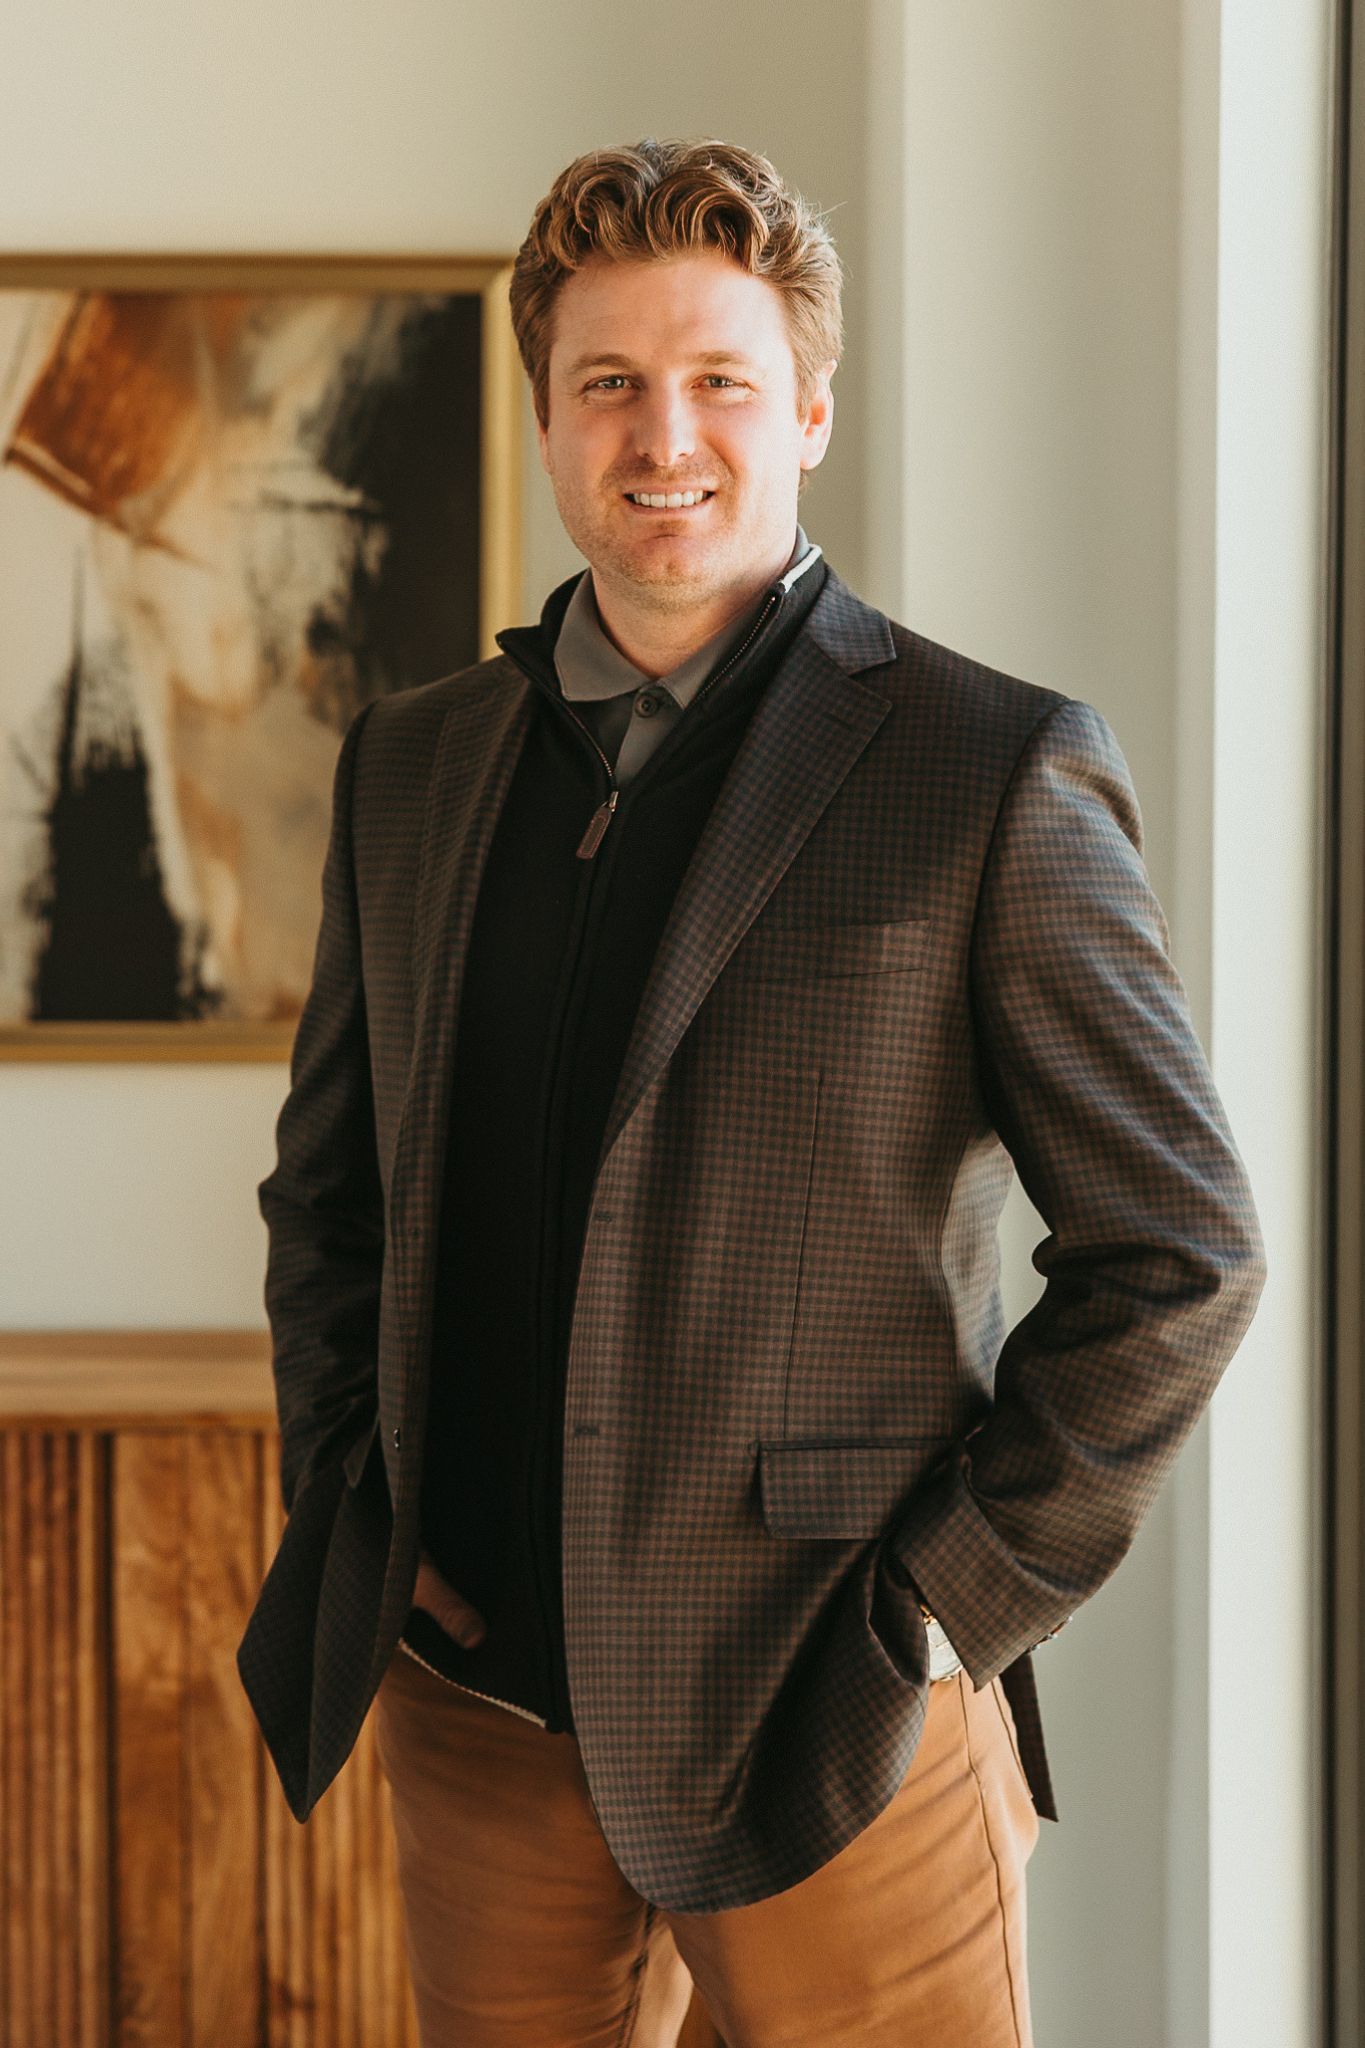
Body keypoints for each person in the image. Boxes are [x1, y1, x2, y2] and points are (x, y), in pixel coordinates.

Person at [237, 137, 1267, 2047]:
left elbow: (1178, 1255)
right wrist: (361, 1496)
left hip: (830, 1710)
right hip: (481, 1706)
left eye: (718, 378)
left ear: (804, 403)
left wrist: (940, 1617)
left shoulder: (989, 766)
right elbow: (332, 1201)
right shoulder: (412, 765)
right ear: (543, 416)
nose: (663, 434)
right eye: (608, 382)